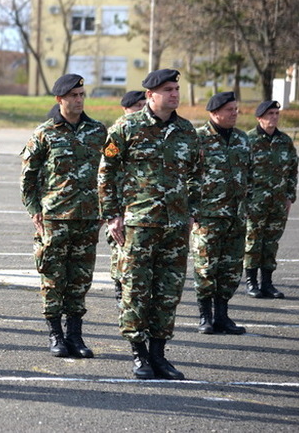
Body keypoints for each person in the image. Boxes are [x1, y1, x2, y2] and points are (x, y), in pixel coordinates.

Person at [98, 69, 200, 381]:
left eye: (176, 89)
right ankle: (139, 354)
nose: (174, 94)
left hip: (176, 226)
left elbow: (197, 173)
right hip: (139, 224)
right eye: (167, 89)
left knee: (169, 291)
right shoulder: (127, 128)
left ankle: (159, 354)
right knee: (136, 290)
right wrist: (112, 214)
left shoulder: (186, 131)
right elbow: (106, 172)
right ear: (150, 95)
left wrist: (192, 210)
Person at [20, 74, 106, 358]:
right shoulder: (45, 133)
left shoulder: (98, 132)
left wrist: (106, 207)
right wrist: (35, 211)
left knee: (80, 279)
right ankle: (56, 335)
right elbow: (28, 177)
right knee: (53, 278)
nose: (79, 100)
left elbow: (112, 171)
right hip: (54, 218)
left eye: (82, 94)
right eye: (73, 96)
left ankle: (76, 336)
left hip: (88, 218)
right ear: (60, 100)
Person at [192, 92, 251, 335]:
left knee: (230, 268)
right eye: (230, 110)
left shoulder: (242, 139)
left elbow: (251, 174)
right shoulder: (198, 139)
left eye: (236, 109)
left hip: (236, 216)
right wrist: (192, 210)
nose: (235, 113)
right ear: (214, 113)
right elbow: (187, 176)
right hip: (208, 215)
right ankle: (205, 317)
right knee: (206, 267)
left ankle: (223, 316)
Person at [244, 100, 298, 299]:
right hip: (255, 202)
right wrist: (246, 199)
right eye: (270, 114)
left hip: (278, 203)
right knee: (253, 242)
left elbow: (293, 169)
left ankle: (267, 283)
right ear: (259, 118)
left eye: (276, 113)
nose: (274, 117)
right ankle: (251, 282)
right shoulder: (248, 140)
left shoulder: (285, 141)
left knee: (271, 243)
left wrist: (290, 196)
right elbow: (241, 172)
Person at [107, 91, 147, 302]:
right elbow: (107, 167)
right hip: (118, 199)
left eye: (144, 104)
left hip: (138, 201)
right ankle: (118, 283)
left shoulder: (147, 130)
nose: (142, 109)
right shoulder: (118, 132)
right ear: (126, 108)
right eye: (137, 106)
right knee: (118, 245)